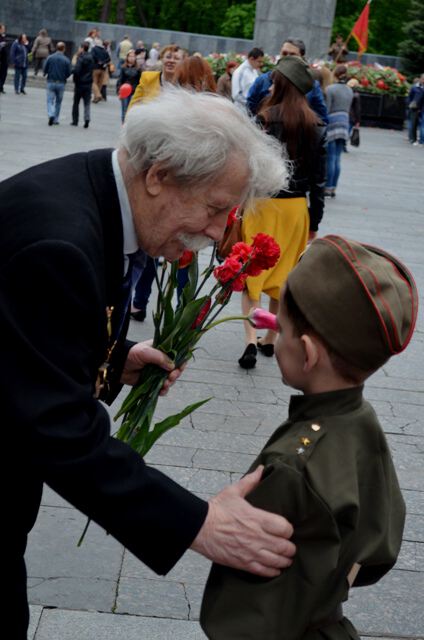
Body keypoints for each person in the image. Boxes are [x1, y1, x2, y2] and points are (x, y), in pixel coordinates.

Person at [1, 88, 297, 639]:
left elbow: (21, 348)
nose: (215, 233)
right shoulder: (60, 241)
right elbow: (54, 427)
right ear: (159, 175)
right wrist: (199, 523)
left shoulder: (90, 192)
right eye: (213, 209)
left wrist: (113, 359)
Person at [201, 234, 418, 640]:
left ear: (308, 353)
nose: (276, 336)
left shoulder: (291, 463)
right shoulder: (360, 418)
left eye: (281, 330)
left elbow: (248, 616)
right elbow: (382, 538)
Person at [238, 56, 326, 369]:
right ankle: (271, 338)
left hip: (263, 204)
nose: (271, 83)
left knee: (253, 273)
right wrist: (314, 220)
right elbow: (319, 181)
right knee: (284, 272)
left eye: (275, 80)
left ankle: (250, 339)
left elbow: (251, 167)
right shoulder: (316, 126)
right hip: (295, 209)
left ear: (281, 84)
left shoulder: (265, 118)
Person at [128, 44, 186, 322]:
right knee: (147, 235)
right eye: (168, 56)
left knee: (165, 234)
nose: (171, 60)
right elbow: (132, 114)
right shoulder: (148, 79)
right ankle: (139, 300)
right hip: (148, 162)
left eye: (177, 57)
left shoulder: (189, 90)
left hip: (175, 170)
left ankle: (169, 305)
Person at [247, 38, 328, 125]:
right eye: (284, 53)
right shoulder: (263, 81)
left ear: (302, 58)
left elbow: (321, 119)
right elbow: (250, 108)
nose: (287, 58)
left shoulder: (311, 85)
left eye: (292, 55)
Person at [325, 65, 353, 197]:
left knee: (330, 158)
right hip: (345, 122)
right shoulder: (349, 90)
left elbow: (328, 108)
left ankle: (327, 187)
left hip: (332, 122)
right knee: (337, 158)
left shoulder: (330, 89)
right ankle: (334, 187)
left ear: (335, 75)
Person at [43, 42, 72, 126]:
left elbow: (45, 68)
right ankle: (55, 119)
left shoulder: (50, 57)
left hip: (51, 81)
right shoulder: (66, 60)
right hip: (61, 83)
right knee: (58, 102)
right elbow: (69, 72)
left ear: (56, 48)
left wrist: (46, 73)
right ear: (64, 49)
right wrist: (64, 77)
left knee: (49, 100)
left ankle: (51, 114)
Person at [231, 47, 264, 111]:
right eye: (259, 61)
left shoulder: (254, 71)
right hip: (241, 110)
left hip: (251, 109)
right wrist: (251, 103)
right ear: (251, 59)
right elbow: (236, 95)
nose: (261, 64)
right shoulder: (239, 72)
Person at [70, 41, 94, 128]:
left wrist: (74, 77)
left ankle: (75, 121)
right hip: (88, 83)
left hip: (79, 83)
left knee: (76, 102)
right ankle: (87, 118)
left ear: (82, 48)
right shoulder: (91, 58)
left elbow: (77, 70)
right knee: (87, 102)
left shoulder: (81, 58)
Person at [116, 49, 141, 123]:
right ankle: (124, 124)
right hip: (125, 91)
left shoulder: (138, 68)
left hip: (134, 91)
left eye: (133, 56)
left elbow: (140, 82)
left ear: (135, 58)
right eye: (130, 56)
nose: (131, 58)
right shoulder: (123, 68)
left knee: (132, 109)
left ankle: (130, 123)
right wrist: (119, 91)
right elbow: (120, 80)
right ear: (127, 57)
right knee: (124, 109)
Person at [407, 73, 424, 145]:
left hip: (421, 108)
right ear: (420, 79)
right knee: (413, 124)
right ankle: (413, 139)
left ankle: (419, 140)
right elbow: (410, 97)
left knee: (420, 125)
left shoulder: (415, 87)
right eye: (423, 79)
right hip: (415, 107)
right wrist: (411, 104)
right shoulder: (414, 87)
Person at [0, 23, 10, 93]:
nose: (4, 30)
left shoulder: (3, 37)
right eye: (3, 29)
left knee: (4, 74)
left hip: (4, 60)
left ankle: (1, 87)